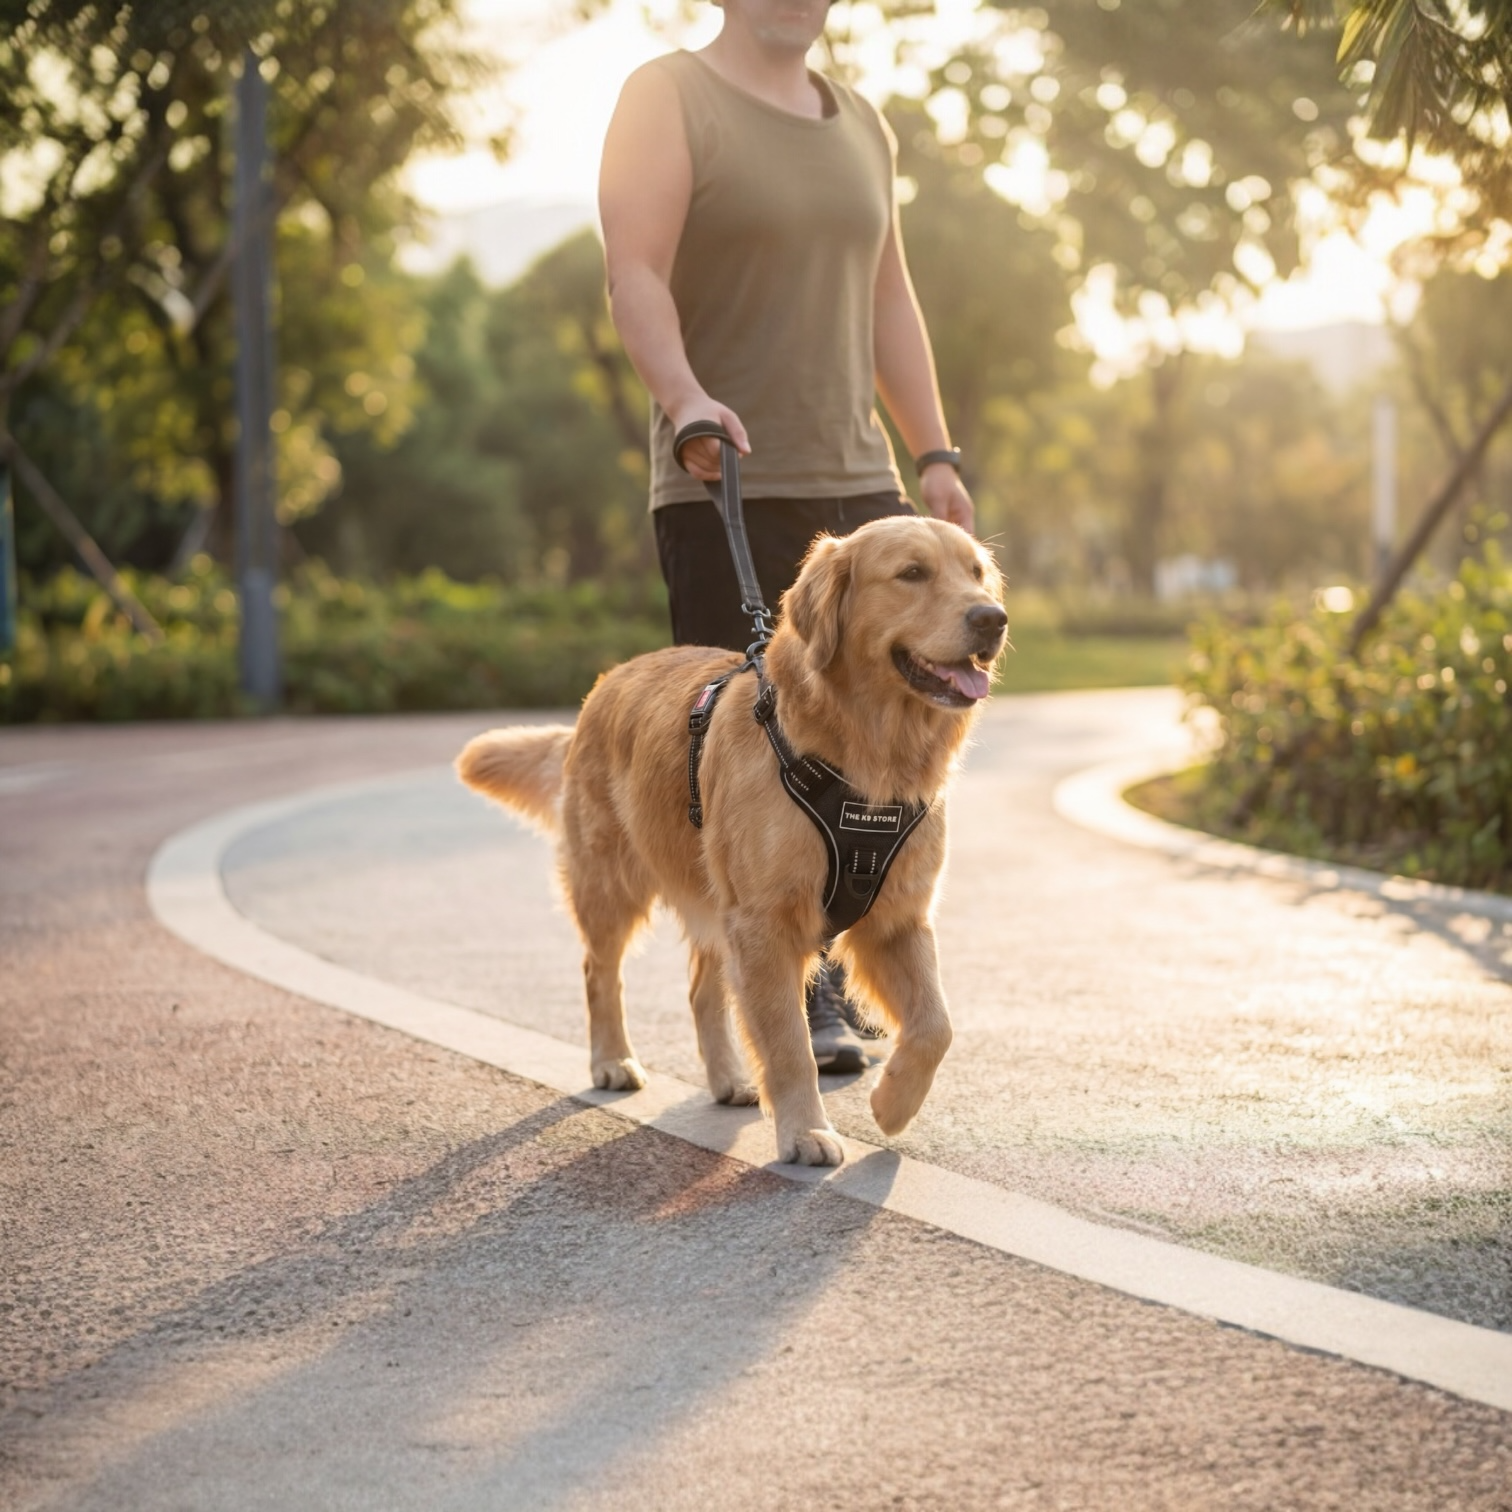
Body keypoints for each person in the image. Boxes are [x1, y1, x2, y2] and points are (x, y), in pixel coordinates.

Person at [599, 0, 974, 1073]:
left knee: (885, 751)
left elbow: (888, 300)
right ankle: (798, 989)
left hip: (863, 490)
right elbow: (636, 273)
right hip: (726, 479)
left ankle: (851, 966)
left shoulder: (862, 121)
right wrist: (685, 401)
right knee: (758, 764)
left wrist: (936, 455)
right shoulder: (667, 98)